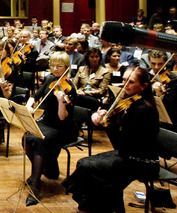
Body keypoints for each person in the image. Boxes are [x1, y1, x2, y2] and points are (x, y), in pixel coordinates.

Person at [63, 66, 160, 212]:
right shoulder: (129, 102)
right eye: (124, 80)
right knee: (85, 164)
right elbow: (122, 143)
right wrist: (103, 112)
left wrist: (108, 124)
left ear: (143, 86)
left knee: (88, 167)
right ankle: (93, 206)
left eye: (131, 82)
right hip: (127, 154)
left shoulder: (143, 109)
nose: (125, 85)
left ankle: (94, 206)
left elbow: (122, 143)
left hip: (141, 161)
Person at [22, 52, 77, 206]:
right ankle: (43, 168)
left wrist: (61, 101)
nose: (55, 68)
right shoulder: (50, 79)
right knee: (26, 137)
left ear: (67, 68)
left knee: (39, 141)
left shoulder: (70, 89)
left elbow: (62, 117)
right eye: (52, 65)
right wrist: (28, 106)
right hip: (47, 122)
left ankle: (36, 186)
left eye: (59, 66)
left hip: (63, 128)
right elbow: (36, 95)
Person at [74, 47, 111, 112]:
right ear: (87, 58)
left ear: (100, 58)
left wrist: (86, 93)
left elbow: (102, 90)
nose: (95, 59)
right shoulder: (81, 69)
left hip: (95, 98)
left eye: (97, 57)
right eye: (92, 57)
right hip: (79, 96)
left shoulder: (105, 71)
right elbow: (74, 84)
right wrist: (78, 91)